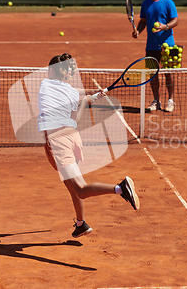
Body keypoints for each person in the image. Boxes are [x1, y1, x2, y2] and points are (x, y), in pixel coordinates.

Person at [38, 53, 140, 238]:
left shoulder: (45, 85)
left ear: (52, 71)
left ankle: (120, 188)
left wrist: (85, 100)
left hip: (57, 142)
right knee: (71, 185)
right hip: (72, 139)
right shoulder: (70, 91)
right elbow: (75, 116)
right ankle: (80, 224)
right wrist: (86, 100)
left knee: (80, 189)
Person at [132, 0, 179, 113]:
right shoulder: (146, 3)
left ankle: (170, 100)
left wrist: (165, 27)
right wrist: (138, 31)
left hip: (168, 45)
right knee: (152, 74)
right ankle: (156, 100)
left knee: (168, 73)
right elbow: (143, 21)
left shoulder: (168, 2)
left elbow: (175, 20)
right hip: (151, 45)